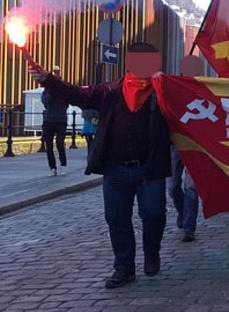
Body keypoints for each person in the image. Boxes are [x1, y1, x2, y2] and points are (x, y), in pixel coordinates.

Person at [31, 42, 171, 289]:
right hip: (115, 168)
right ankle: (124, 267)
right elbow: (78, 95)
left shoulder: (163, 91)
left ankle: (152, 251)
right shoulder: (109, 90)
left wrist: (169, 87)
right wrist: (48, 80)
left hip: (149, 169)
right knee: (116, 218)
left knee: (154, 214)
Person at [168, 55, 204, 242]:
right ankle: (182, 211)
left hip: (194, 147)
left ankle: (189, 227)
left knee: (191, 187)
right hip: (175, 145)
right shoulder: (174, 89)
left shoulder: (204, 91)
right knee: (173, 187)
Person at [41, 66, 69, 177]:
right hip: (49, 120)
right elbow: (45, 101)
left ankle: (63, 165)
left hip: (61, 120)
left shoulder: (63, 90)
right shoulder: (47, 90)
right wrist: (52, 92)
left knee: (59, 143)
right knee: (48, 145)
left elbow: (66, 103)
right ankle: (52, 168)